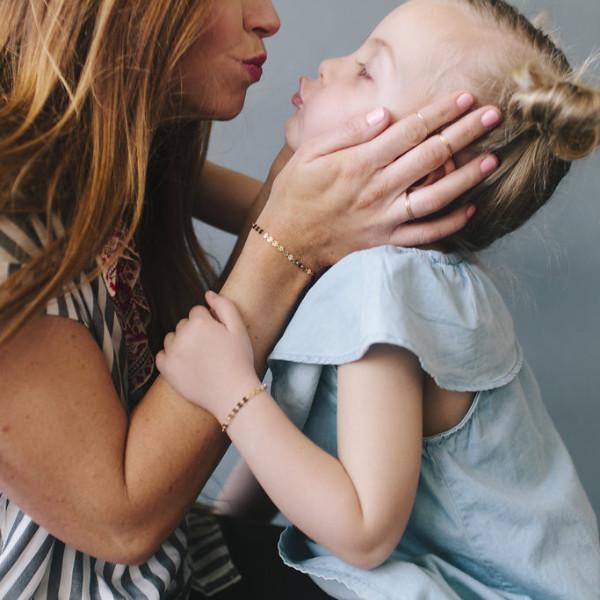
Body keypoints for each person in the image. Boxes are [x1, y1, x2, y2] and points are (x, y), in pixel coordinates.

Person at [0, 0, 504, 598]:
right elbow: (121, 522)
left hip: (185, 560)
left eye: (369, 71)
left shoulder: (108, 151)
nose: (268, 18)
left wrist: (299, 204)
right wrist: (291, 232)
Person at [156, 0, 600, 598]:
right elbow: (270, 224)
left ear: (420, 168)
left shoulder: (385, 289)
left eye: (366, 71)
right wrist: (233, 524)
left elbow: (364, 530)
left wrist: (229, 390)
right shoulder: (383, 262)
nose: (332, 65)